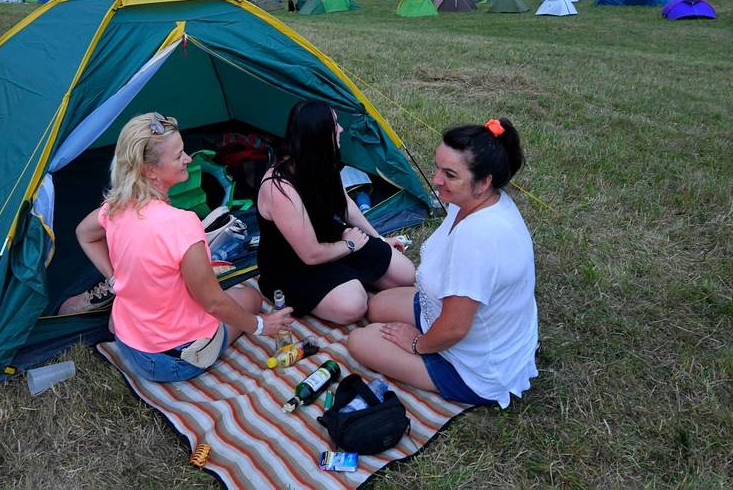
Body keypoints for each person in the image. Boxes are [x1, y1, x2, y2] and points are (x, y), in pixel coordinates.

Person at [73, 112, 293, 382]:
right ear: (150, 171)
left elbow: (85, 234)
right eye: (178, 156)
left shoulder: (116, 207)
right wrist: (260, 325)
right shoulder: (181, 224)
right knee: (250, 298)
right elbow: (213, 303)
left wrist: (115, 278)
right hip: (173, 361)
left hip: (128, 341)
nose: (188, 159)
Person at [348, 118, 538, 409]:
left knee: (360, 341)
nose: (436, 180)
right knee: (376, 307)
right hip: (461, 320)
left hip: (476, 366)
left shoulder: (478, 239)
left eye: (449, 174)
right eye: (437, 167)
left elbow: (454, 329)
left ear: (483, 182)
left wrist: (417, 344)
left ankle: (441, 368)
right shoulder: (477, 201)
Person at [256, 100, 415, 324]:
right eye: (335, 125)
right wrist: (349, 245)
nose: (341, 129)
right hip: (292, 264)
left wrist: (378, 238)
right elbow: (310, 255)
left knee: (406, 274)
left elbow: (346, 205)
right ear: (320, 135)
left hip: (332, 239)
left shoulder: (321, 162)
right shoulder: (279, 188)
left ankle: (348, 277)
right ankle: (349, 284)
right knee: (353, 305)